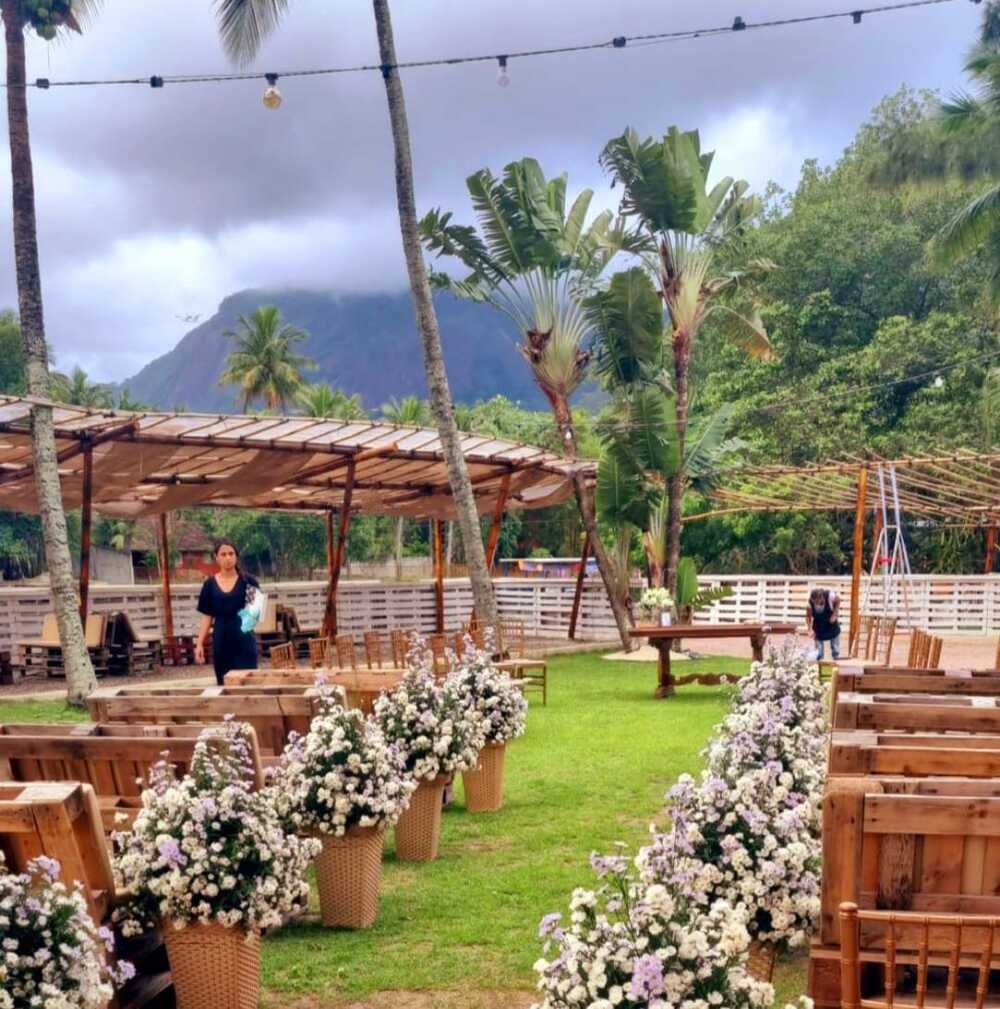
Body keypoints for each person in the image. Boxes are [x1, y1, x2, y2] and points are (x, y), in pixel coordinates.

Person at [195, 539, 260, 686]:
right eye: (223, 554)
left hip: (244, 642)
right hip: (221, 643)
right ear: (216, 558)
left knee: (248, 687)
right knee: (224, 686)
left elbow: (255, 615)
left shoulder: (249, 582)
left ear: (236, 556)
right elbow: (207, 617)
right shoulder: (209, 585)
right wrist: (199, 644)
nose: (228, 558)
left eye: (231, 554)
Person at [805, 587, 840, 661]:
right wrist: (809, 629)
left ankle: (836, 657)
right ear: (812, 600)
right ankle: (819, 659)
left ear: (822, 597)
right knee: (819, 652)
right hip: (818, 625)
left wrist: (835, 614)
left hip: (831, 623)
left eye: (819, 601)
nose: (818, 603)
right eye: (815, 602)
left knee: (835, 641)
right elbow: (808, 617)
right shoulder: (809, 604)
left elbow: (838, 600)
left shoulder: (830, 595)